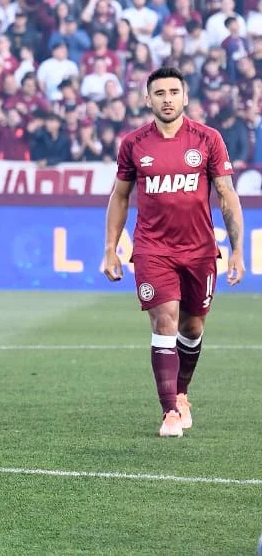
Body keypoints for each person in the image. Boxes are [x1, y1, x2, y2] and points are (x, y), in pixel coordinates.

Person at [102, 67, 244, 437]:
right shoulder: (134, 144)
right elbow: (119, 196)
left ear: (185, 97)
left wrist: (237, 249)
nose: (167, 99)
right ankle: (169, 412)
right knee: (164, 320)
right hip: (153, 249)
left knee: (192, 327)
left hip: (199, 251)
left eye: (173, 92)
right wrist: (110, 249)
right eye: (159, 93)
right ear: (147, 99)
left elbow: (227, 195)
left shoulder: (208, 139)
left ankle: (181, 393)